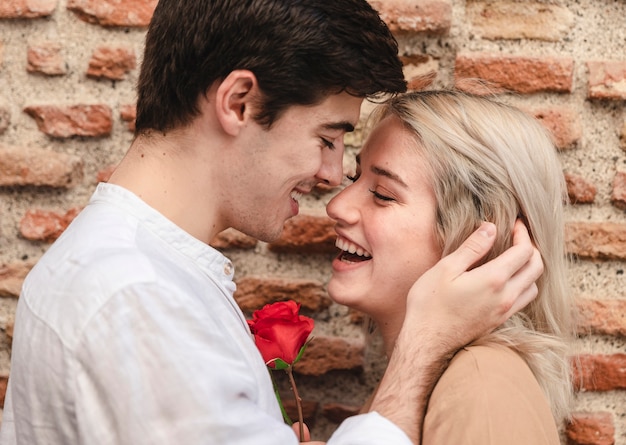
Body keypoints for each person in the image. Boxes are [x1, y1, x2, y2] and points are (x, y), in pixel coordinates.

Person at [0, 1, 543, 444]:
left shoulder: (142, 275)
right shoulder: (136, 297)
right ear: (238, 102)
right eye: (326, 139)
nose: (332, 179)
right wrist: (422, 345)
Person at [326, 89, 575, 444]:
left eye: (382, 194)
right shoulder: (436, 383)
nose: (337, 206)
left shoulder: (482, 385)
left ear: (476, 236)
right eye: (355, 179)